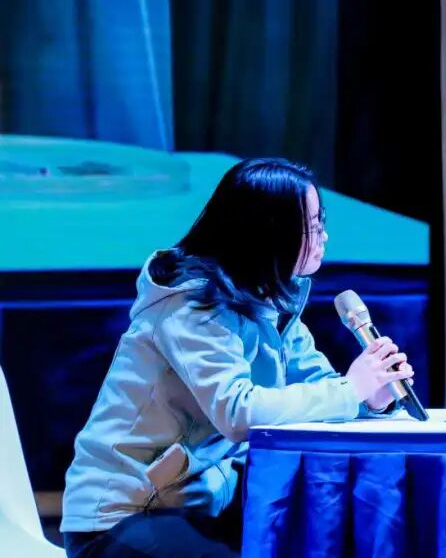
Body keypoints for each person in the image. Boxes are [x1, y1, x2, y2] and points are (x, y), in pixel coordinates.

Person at [61, 158, 413, 556]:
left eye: (321, 222)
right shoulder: (192, 304)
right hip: (123, 517)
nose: (324, 236)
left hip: (202, 507)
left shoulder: (269, 301)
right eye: (312, 225)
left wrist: (372, 398)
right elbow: (239, 412)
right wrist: (351, 389)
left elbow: (320, 389)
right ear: (271, 231)